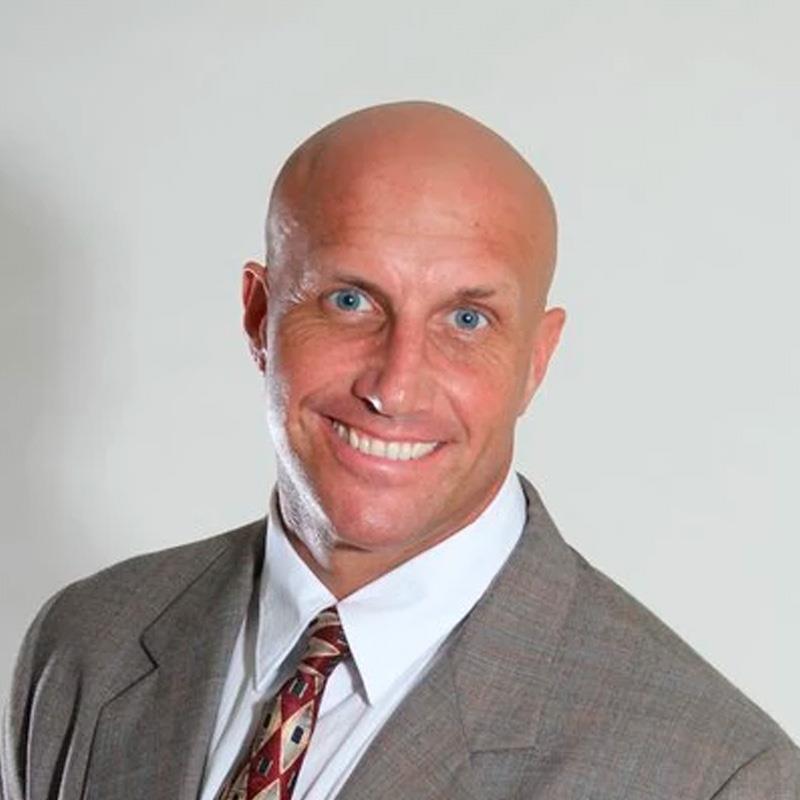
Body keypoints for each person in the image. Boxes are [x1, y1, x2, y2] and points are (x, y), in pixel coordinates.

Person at [2, 102, 798, 800]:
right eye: (350, 300)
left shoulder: (714, 777)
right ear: (259, 316)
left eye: (467, 320)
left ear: (536, 360)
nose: (396, 385)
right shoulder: (88, 646)